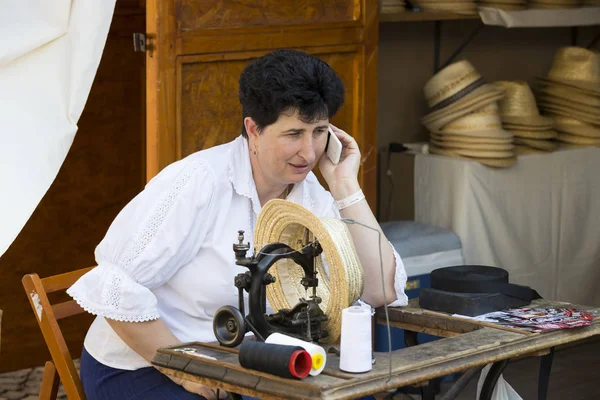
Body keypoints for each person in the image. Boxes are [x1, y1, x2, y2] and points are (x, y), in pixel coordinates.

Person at [68, 49, 408, 400]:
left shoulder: (313, 196)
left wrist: (344, 186)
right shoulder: (199, 182)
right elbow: (113, 287)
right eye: (293, 133)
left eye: (320, 131)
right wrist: (187, 374)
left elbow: (380, 291)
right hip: (148, 366)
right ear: (253, 129)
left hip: (249, 367)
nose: (309, 152)